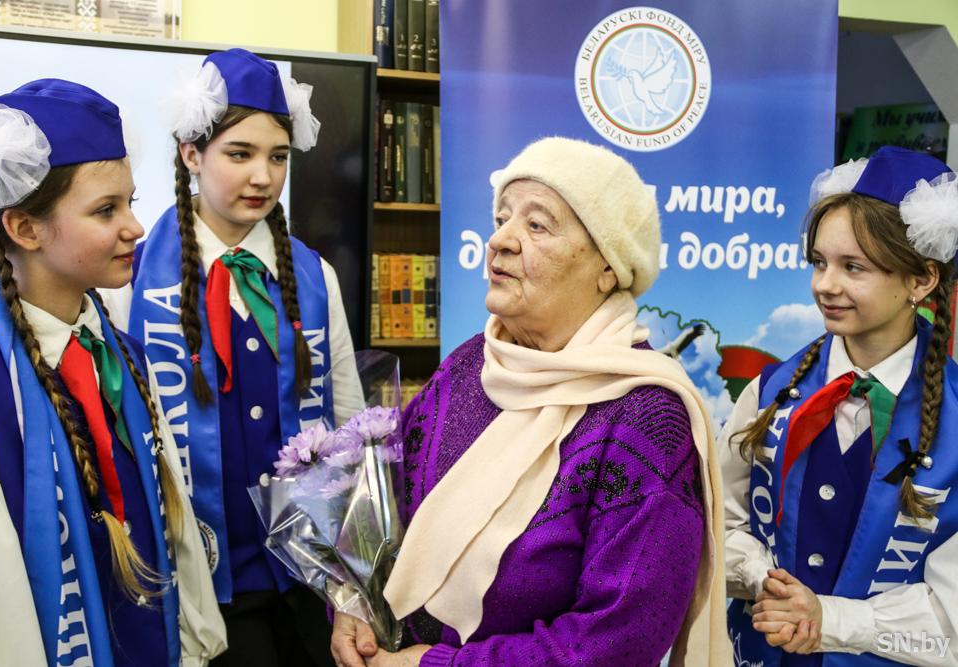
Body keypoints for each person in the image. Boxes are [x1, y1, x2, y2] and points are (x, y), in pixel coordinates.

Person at [331, 136, 732, 667]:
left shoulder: (647, 419)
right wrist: (352, 599)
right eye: (502, 218)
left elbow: (620, 639)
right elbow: (381, 505)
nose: (500, 240)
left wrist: (438, 666)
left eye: (537, 225)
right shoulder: (470, 364)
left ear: (608, 268)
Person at [0, 79, 225, 666]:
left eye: (130, 201)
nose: (135, 226)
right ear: (25, 228)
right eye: (107, 210)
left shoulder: (123, 355)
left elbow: (171, 528)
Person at [121, 48, 364, 667]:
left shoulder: (313, 275)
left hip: (312, 577)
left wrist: (359, 572)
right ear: (191, 155)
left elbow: (347, 415)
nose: (263, 176)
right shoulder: (133, 279)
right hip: (202, 584)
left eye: (278, 157)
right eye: (240, 154)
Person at [720, 146, 958, 666]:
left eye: (854, 267)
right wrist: (765, 580)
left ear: (921, 280)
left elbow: (953, 614)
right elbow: (718, 522)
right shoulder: (769, 392)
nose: (825, 285)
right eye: (819, 262)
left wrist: (830, 622)